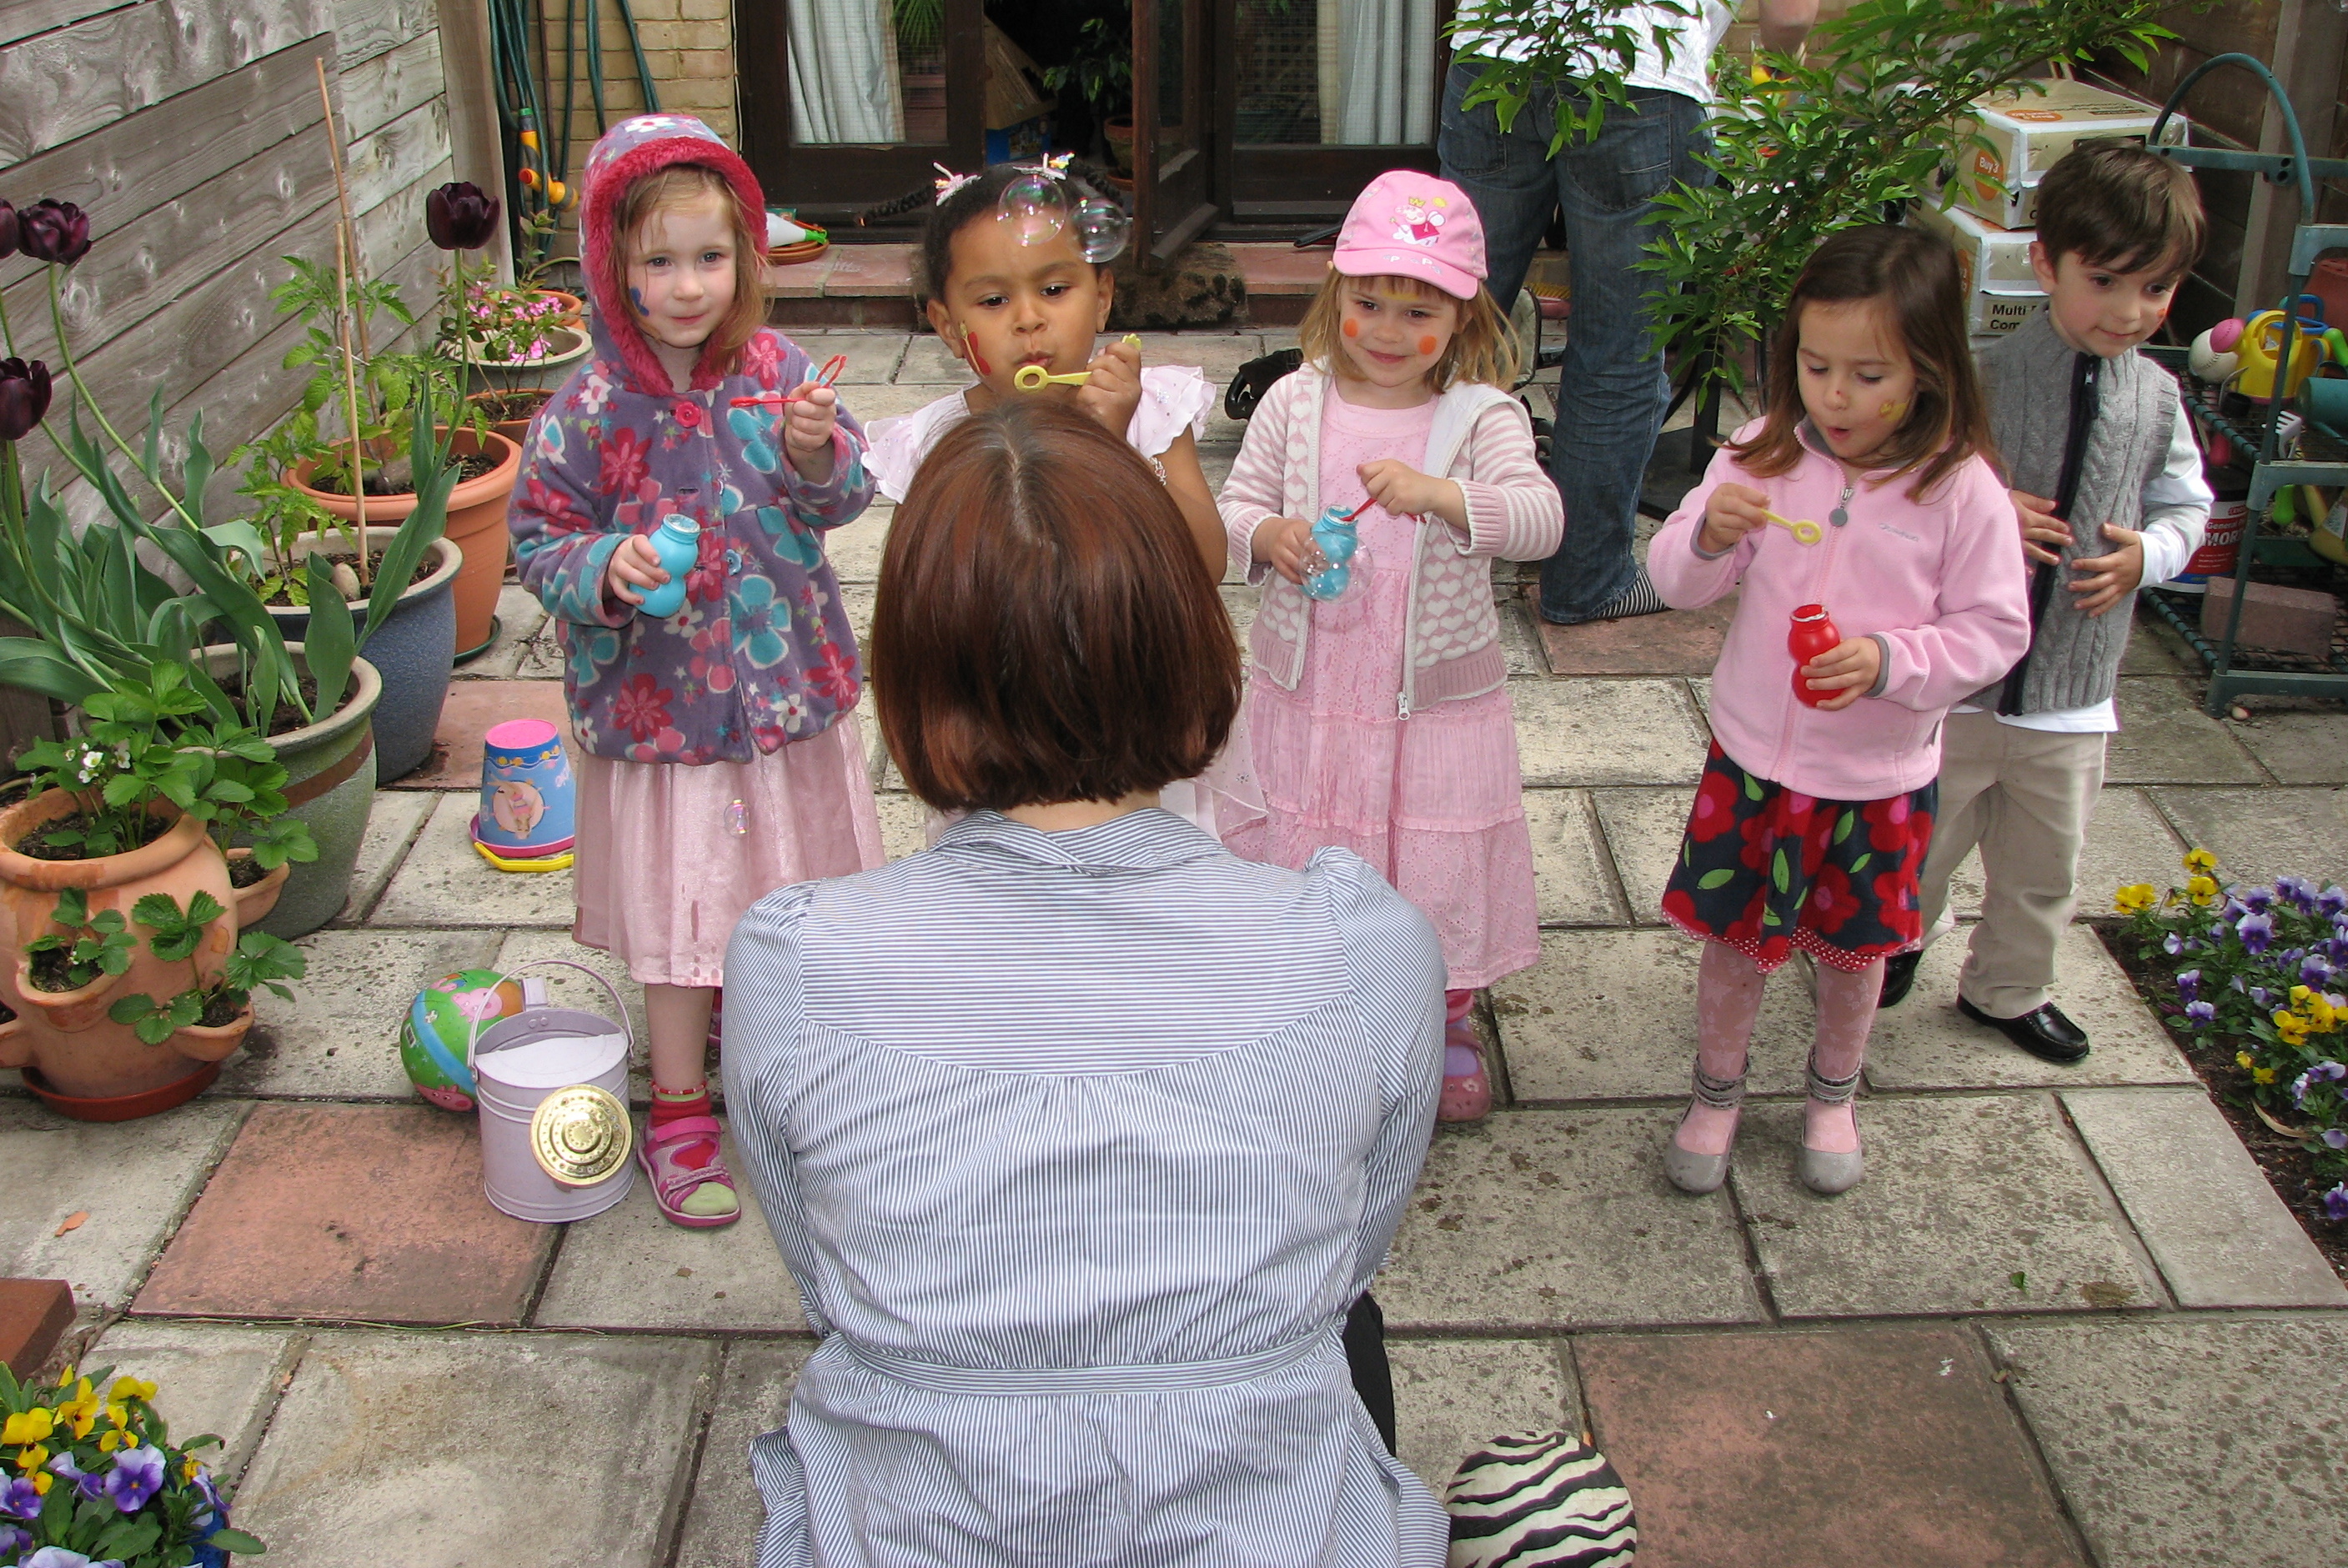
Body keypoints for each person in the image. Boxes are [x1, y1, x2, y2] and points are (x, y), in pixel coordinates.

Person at [723, 400, 1450, 1568]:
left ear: (910, 681)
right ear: (1190, 650)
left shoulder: (794, 960)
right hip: (1272, 1532)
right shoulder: (1360, 945)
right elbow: (1351, 1249)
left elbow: (827, 1278)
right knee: (1342, 1328)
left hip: (916, 1528)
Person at [509, 113, 885, 1228]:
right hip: (663, 718)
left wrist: (817, 453)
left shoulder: (778, 375)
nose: (687, 286)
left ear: (747, 257)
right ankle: (678, 1105)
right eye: (658, 261)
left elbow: (843, 497)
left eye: (711, 257)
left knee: (786, 896)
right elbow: (538, 541)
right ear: (609, 265)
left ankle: (788, 1065)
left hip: (784, 704)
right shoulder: (585, 411)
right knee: (683, 918)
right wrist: (607, 566)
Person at [1648, 225, 2032, 1195]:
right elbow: (1676, 586)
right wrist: (1704, 534)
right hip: (1752, 764)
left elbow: (1994, 631)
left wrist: (1890, 661)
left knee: (1852, 955)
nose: (1833, 395)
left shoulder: (1959, 490)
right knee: (1734, 945)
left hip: (1874, 780)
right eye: (1814, 366)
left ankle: (1831, 1097)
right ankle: (1714, 1094)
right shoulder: (1760, 455)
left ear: (1928, 369)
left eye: (1868, 375)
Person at [1217, 170, 1564, 1125]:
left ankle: (1442, 1016)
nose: (1385, 329)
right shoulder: (1293, 402)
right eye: (1368, 301)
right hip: (1311, 690)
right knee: (1310, 854)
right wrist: (1269, 538)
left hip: (1428, 705)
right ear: (1336, 295)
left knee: (1428, 858)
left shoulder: (1479, 417)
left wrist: (1441, 496)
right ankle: (1314, 1001)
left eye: (1418, 311)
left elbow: (1541, 519)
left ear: (1462, 319)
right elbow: (1233, 506)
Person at [1884, 143, 2211, 1059]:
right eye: (2103, 280)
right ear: (2044, 263)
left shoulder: (2158, 398)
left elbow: (2186, 506)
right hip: (1958, 688)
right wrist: (1987, 507)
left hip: (2072, 694)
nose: (2128, 311)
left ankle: (2007, 988)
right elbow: (1908, 487)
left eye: (2155, 288)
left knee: (2042, 867)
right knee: (1924, 838)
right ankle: (1901, 940)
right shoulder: (1978, 377)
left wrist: (2148, 555)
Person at [1440, 0, 1820, 626]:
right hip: (1638, 73)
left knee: (1446, 322)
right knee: (1616, 355)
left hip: (1496, 53)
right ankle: (1586, 581)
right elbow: (1791, 15)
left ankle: (1391, 547)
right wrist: (1779, 74)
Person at [864, 158, 1226, 579]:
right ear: (948, 327)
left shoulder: (1148, 410)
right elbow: (915, 588)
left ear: (1102, 299)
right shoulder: (930, 442)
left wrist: (1118, 448)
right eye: (994, 300)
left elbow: (1208, 565)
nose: (1029, 319)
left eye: (1054, 290)